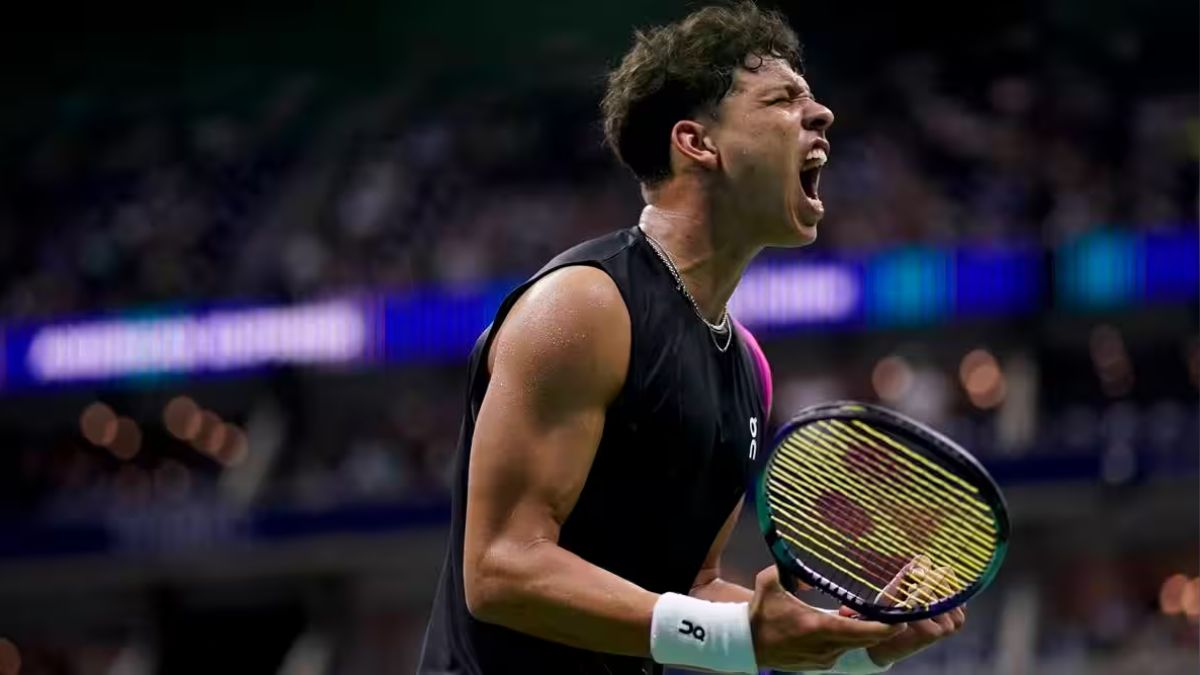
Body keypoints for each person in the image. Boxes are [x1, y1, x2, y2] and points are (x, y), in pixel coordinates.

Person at [418, 3, 965, 673]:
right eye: (783, 99)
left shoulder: (750, 369)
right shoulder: (585, 306)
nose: (820, 115)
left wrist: (852, 645)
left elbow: (691, 586)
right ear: (697, 143)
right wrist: (742, 637)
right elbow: (500, 567)